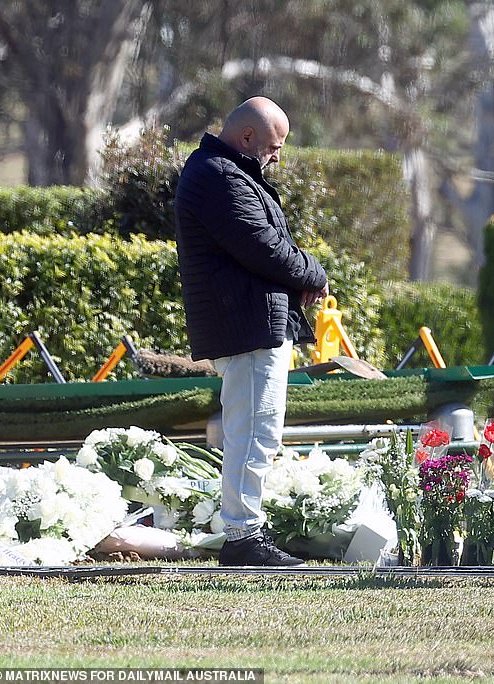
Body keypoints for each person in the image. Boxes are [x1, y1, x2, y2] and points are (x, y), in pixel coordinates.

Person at [174, 96, 329, 566]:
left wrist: (295, 275)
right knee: (253, 433)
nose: (278, 155)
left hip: (249, 320)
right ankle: (243, 538)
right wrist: (312, 274)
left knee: (256, 430)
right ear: (247, 137)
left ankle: (246, 531)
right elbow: (263, 247)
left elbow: (267, 248)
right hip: (247, 325)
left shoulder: (224, 172)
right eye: (274, 144)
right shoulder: (220, 176)